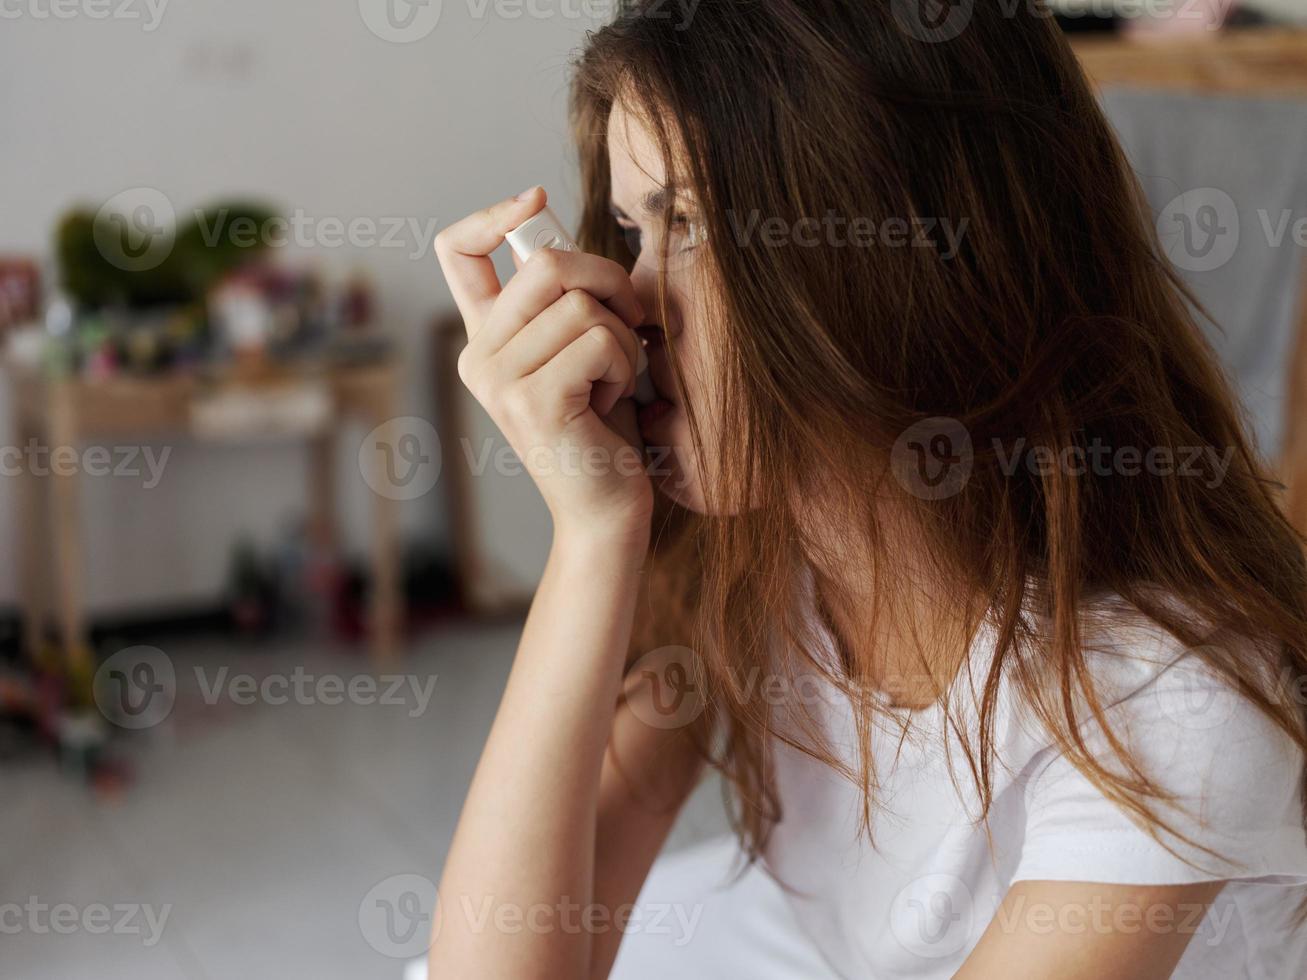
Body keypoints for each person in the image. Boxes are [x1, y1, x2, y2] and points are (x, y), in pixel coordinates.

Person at [427, 2, 1307, 976]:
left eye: (688, 222)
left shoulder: (1163, 705)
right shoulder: (753, 557)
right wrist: (591, 539)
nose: (630, 306)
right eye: (635, 228)